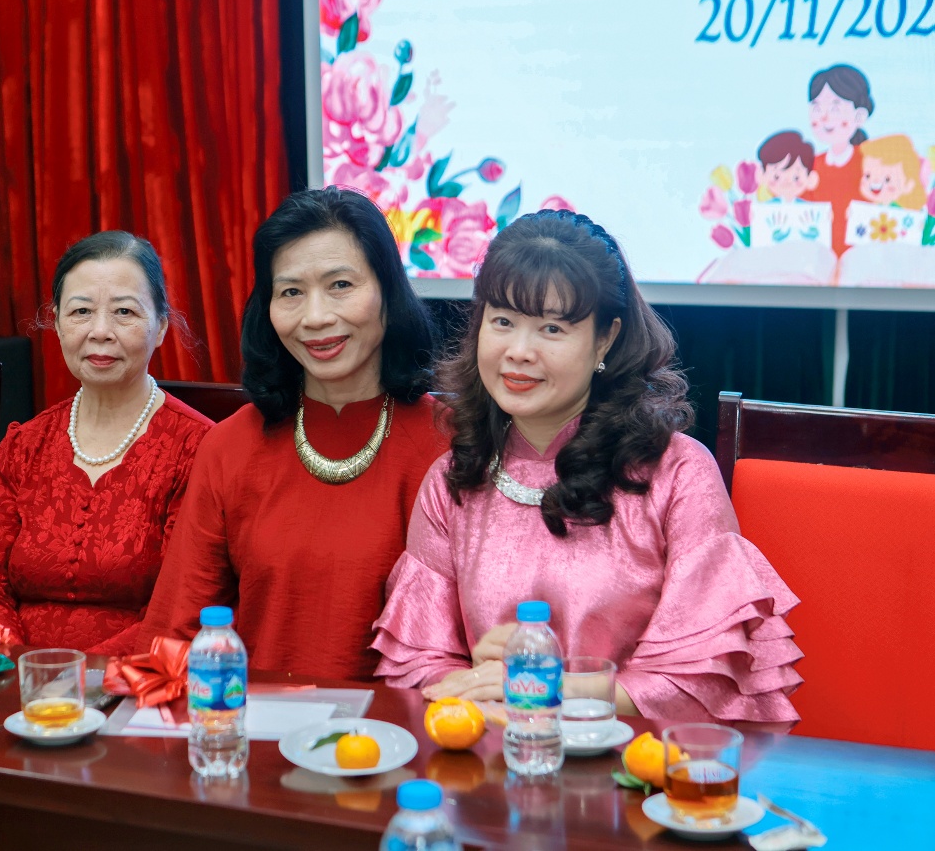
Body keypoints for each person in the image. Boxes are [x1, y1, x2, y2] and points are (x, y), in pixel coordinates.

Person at [373, 209, 802, 722]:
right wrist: (465, 680)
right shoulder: (455, 480)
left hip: (636, 773)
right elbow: (419, 663)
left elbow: (702, 676)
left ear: (605, 338)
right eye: (503, 321)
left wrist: (554, 690)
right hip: (493, 766)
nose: (519, 351)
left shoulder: (676, 472)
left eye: (552, 328)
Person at [139, 187, 450, 680]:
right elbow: (176, 635)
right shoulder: (230, 447)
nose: (316, 317)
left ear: (389, 293)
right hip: (255, 735)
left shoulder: (450, 445)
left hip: (410, 739)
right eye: (290, 292)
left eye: (341, 284)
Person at [0, 231, 213, 654]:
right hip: (18, 685)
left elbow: (179, 609)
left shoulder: (198, 449)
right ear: (56, 322)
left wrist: (75, 680)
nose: (100, 331)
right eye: (81, 311)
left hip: (136, 687)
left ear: (162, 326)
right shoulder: (25, 445)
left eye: (124, 312)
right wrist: (24, 671)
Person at [803, 64, 874, 258]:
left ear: (859, 116)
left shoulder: (873, 164)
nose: (824, 117)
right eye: (816, 108)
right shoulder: (810, 166)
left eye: (835, 108)